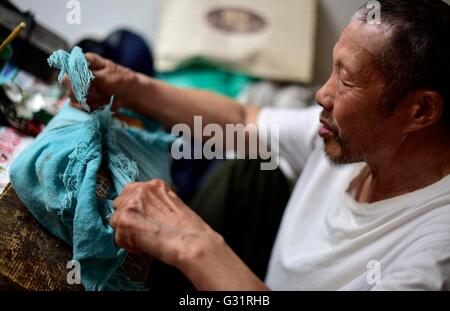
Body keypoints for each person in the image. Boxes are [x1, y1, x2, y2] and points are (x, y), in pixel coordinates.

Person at [66, 0, 450, 290]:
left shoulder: (431, 260)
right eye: (332, 70)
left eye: (346, 81)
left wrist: (192, 244)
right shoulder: (354, 138)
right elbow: (244, 121)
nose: (321, 94)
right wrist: (127, 84)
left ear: (421, 111)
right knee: (250, 167)